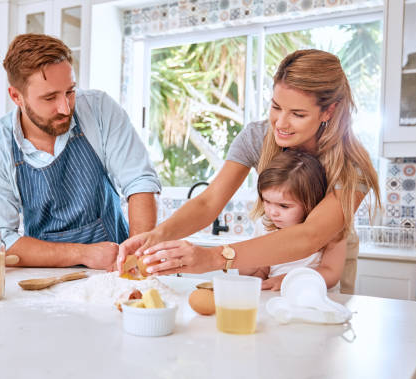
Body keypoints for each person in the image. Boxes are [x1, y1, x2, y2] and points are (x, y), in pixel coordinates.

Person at [118, 49, 380, 294]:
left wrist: (212, 257)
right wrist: (155, 237)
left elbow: (310, 236)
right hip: (273, 257)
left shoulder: (351, 164)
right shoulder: (257, 137)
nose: (281, 123)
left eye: (298, 114)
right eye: (276, 107)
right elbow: (209, 202)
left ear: (329, 111)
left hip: (321, 269)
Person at [0, 34, 161, 270]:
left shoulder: (99, 110)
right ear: (16, 96)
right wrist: (83, 254)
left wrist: (138, 257)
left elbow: (140, 182)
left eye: (70, 91)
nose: (65, 107)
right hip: (42, 278)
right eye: (50, 97)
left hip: (114, 273)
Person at [239, 150, 345, 291]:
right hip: (278, 299)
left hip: (316, 299)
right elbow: (263, 272)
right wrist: (249, 270)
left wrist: (287, 280)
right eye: (267, 201)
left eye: (284, 206)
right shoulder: (265, 227)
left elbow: (331, 272)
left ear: (309, 203)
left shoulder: (332, 229)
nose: (272, 212)